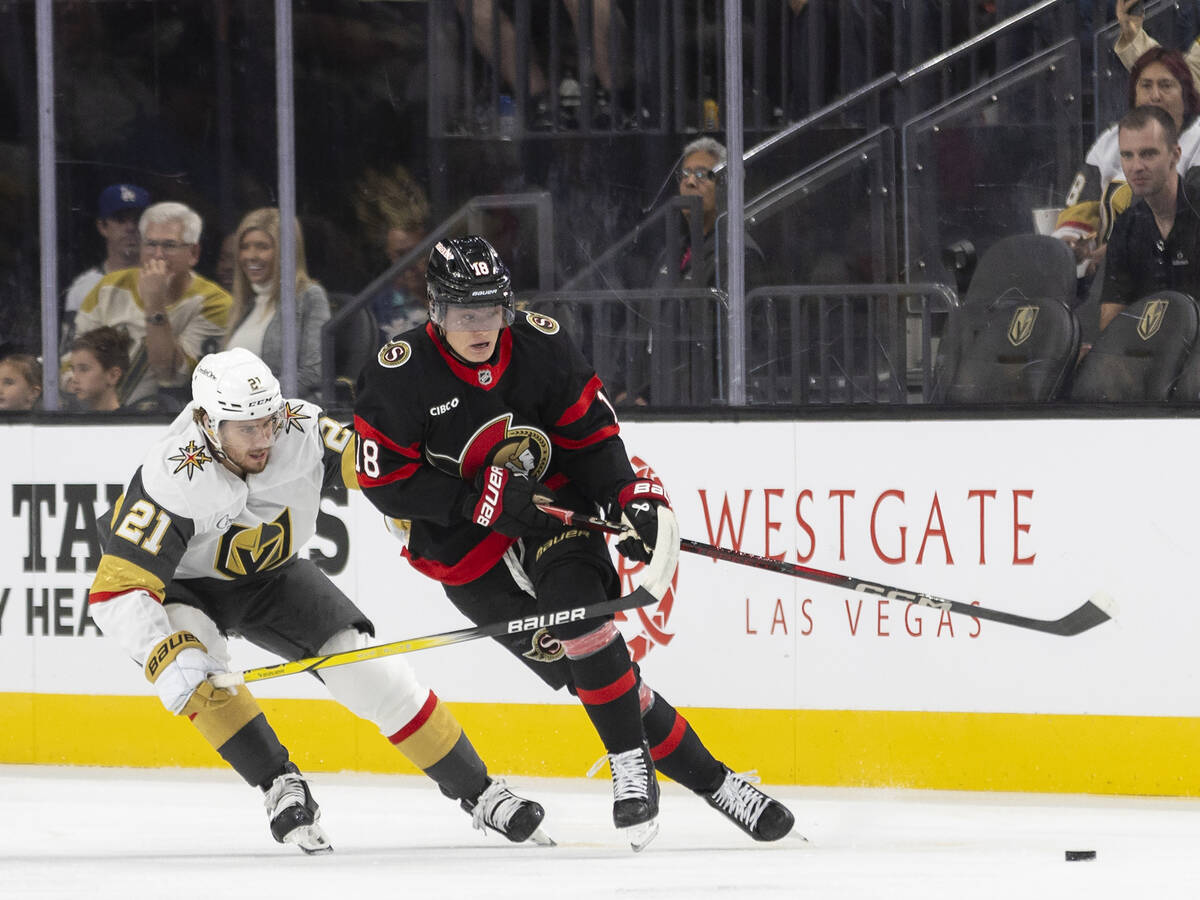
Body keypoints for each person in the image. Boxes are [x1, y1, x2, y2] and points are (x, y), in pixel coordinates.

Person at [352, 235, 795, 850]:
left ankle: (629, 766)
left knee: (581, 620)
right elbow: (382, 479)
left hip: (550, 504)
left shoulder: (540, 343)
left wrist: (625, 498)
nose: (481, 327)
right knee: (595, 673)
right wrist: (471, 500)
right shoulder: (397, 374)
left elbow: (589, 437)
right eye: (465, 314)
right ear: (436, 310)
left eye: (491, 310)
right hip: (460, 546)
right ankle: (717, 783)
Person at [87, 347, 548, 853]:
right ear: (205, 421)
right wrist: (164, 655)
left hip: (269, 575)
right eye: (247, 428)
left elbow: (377, 467)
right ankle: (278, 782)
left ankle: (480, 791)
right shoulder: (172, 475)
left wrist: (418, 510)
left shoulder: (300, 426)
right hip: (178, 586)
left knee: (370, 672)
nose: (264, 439)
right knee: (201, 675)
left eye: (268, 420)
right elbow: (117, 589)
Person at [1055, 44, 1200, 277]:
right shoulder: (1111, 140)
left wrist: (1122, 250)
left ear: (1186, 94)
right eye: (1145, 85)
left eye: (1166, 85)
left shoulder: (1197, 139)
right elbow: (1081, 210)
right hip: (1107, 278)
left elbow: (1192, 220)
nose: (1155, 95)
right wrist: (1073, 242)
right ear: (1134, 94)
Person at [75, 201, 231, 407]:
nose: (158, 255)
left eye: (169, 245)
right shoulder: (108, 288)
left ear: (193, 253)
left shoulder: (216, 303)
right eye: (150, 244)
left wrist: (154, 302)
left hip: (167, 420)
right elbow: (70, 361)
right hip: (97, 418)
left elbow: (170, 375)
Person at [1099, 105, 1200, 330]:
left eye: (1148, 154)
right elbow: (1110, 326)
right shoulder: (1125, 226)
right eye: (1127, 155)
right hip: (1148, 355)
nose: (1136, 167)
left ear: (1175, 156)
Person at [224, 207, 330, 400]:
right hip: (236, 417)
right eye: (244, 247)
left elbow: (314, 373)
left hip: (282, 418)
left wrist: (255, 398)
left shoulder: (309, 296)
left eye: (262, 247)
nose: (250, 255)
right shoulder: (247, 303)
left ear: (286, 252)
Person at [62, 183, 151, 349]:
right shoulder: (84, 288)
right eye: (120, 219)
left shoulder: (166, 282)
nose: (130, 227)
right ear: (102, 227)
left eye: (137, 219)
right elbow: (70, 355)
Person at [353, 165, 431, 339]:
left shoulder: (454, 296)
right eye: (401, 255)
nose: (410, 264)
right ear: (388, 255)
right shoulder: (376, 310)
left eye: (417, 253)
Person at [67, 325, 132, 412]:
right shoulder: (73, 421)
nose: (74, 379)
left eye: (84, 369)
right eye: (73, 370)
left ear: (113, 376)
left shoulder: (129, 424)